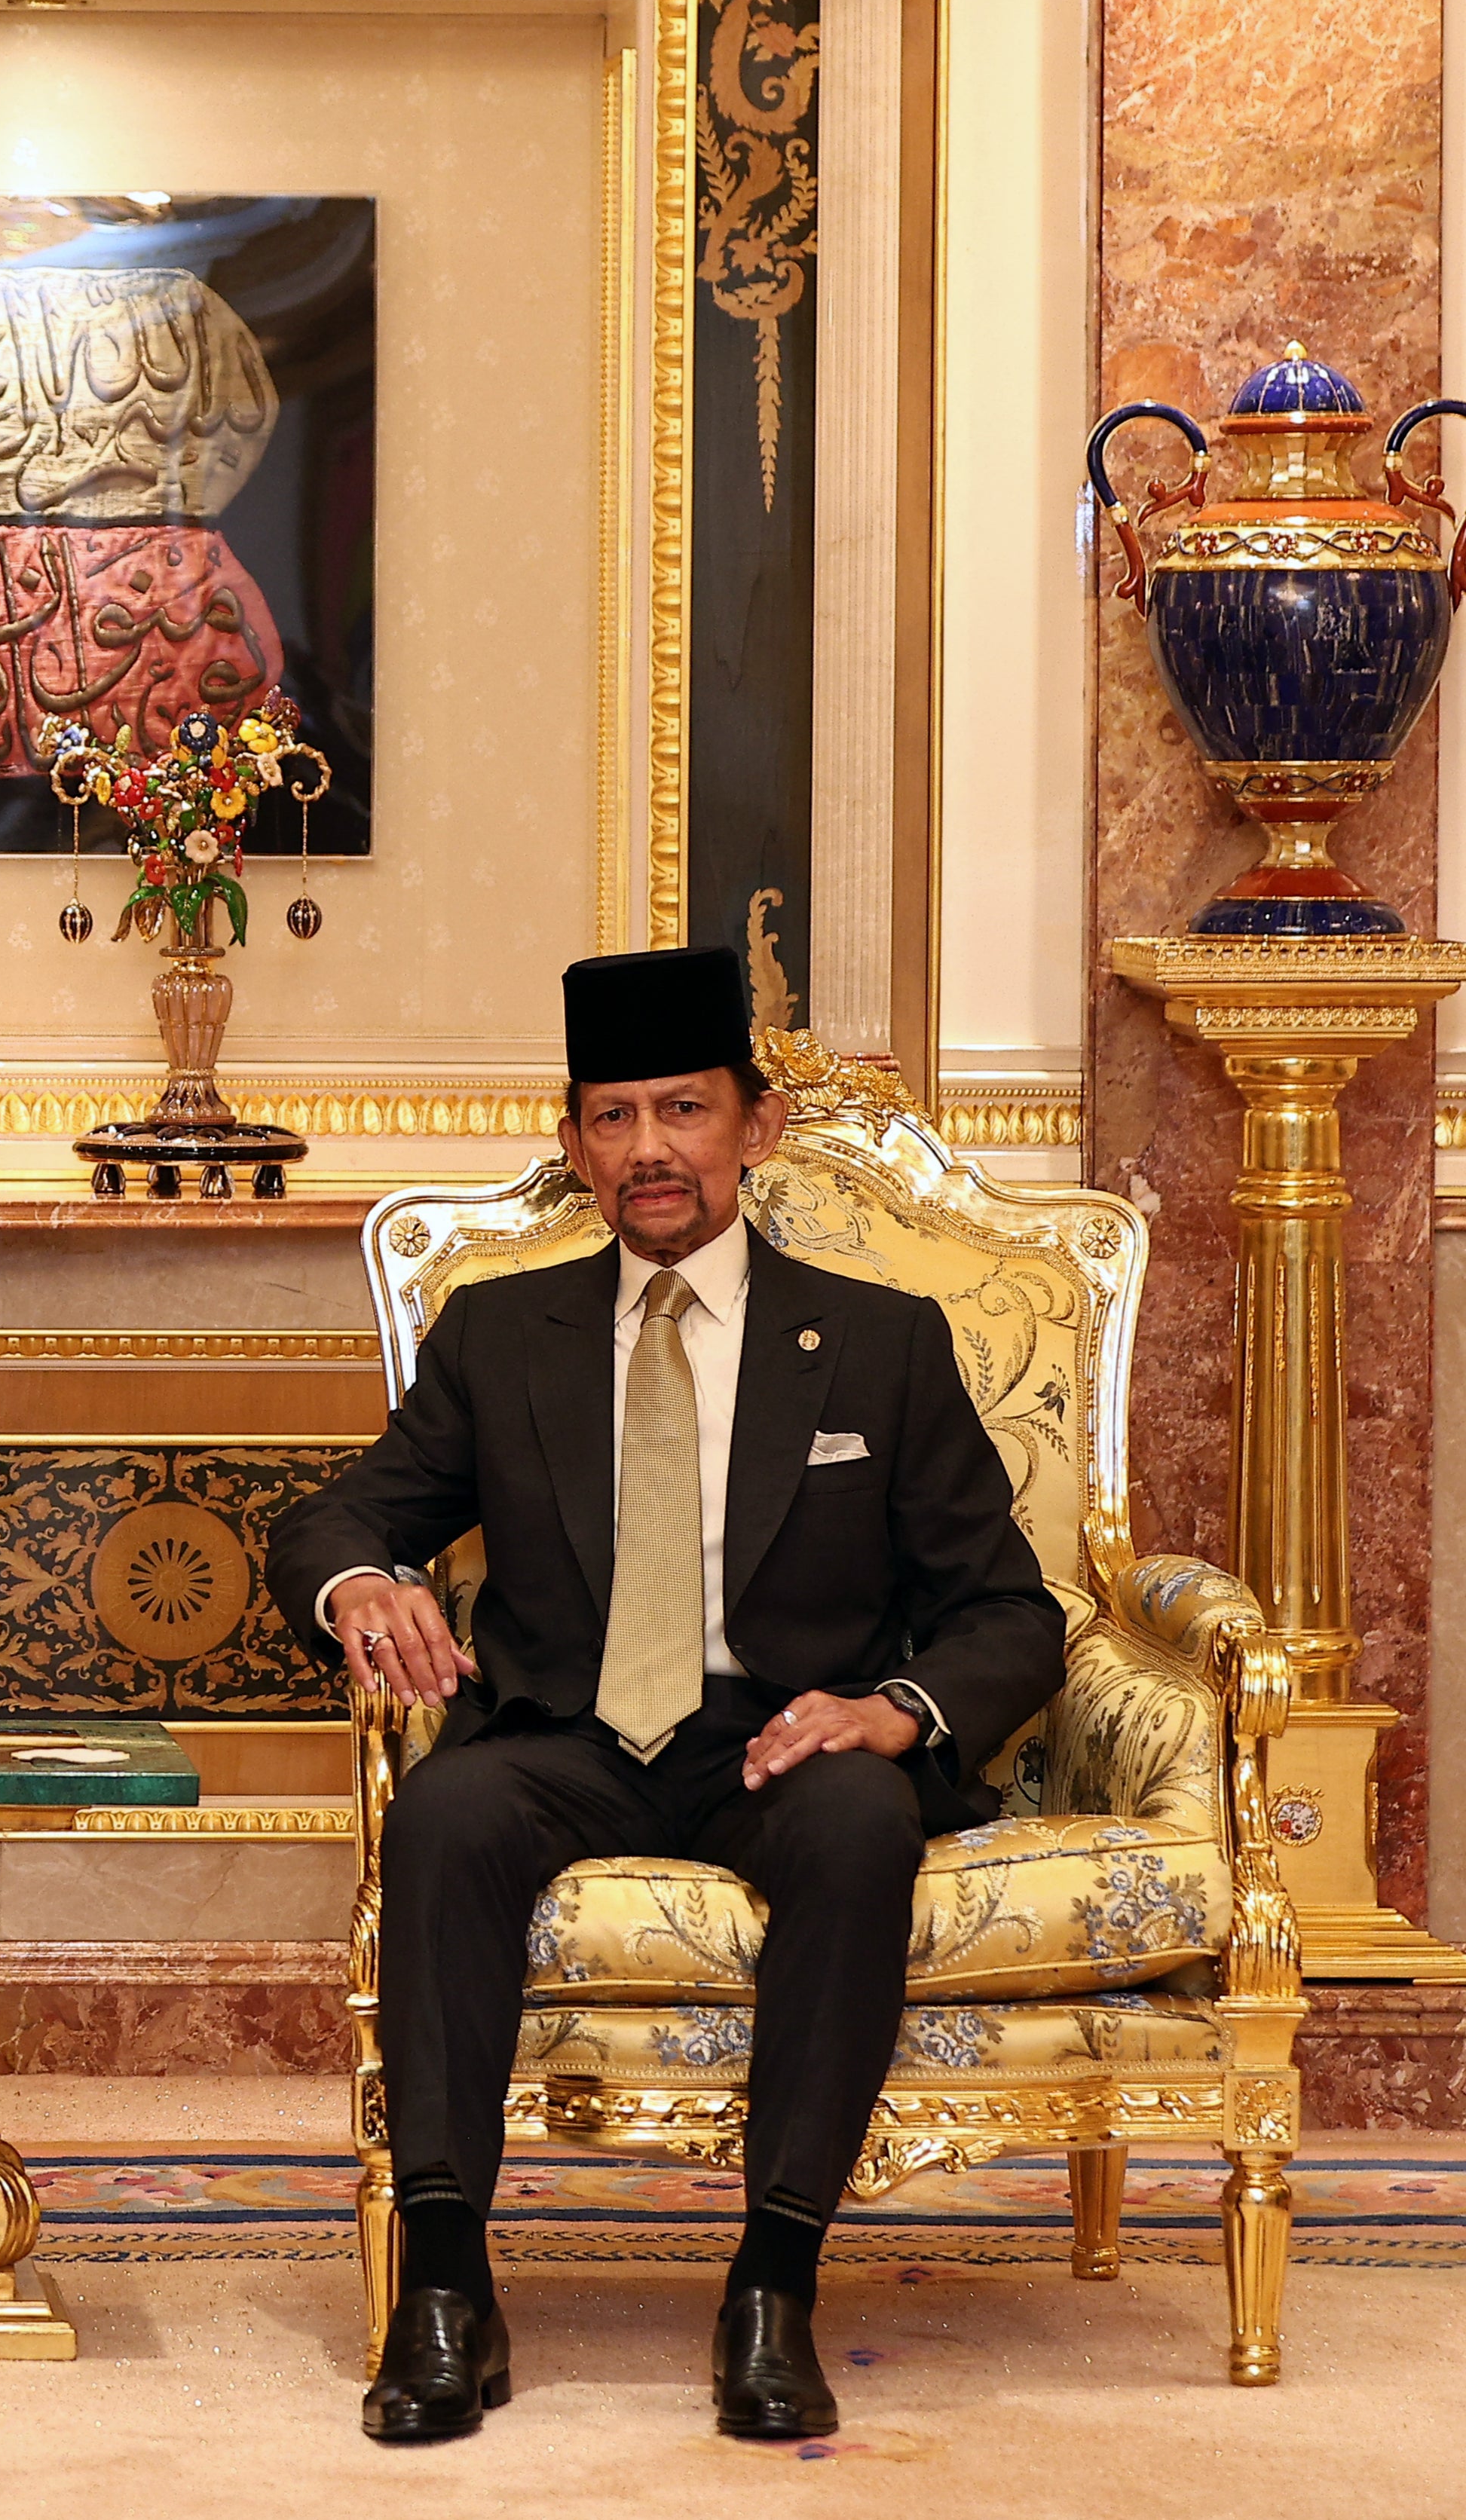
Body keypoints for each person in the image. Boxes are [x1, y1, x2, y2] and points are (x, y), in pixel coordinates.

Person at [267, 943, 1064, 2446]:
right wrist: (363, 1583)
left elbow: (1012, 1609)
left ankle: (773, 2282)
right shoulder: (505, 1335)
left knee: (856, 1825)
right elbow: (334, 1518)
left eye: (683, 1109)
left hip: (783, 1732)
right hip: (566, 1730)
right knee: (443, 1812)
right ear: (574, 1144)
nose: (649, 1149)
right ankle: (443, 2283)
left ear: (754, 1127)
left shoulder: (879, 1345)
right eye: (615, 1115)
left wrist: (893, 1706)